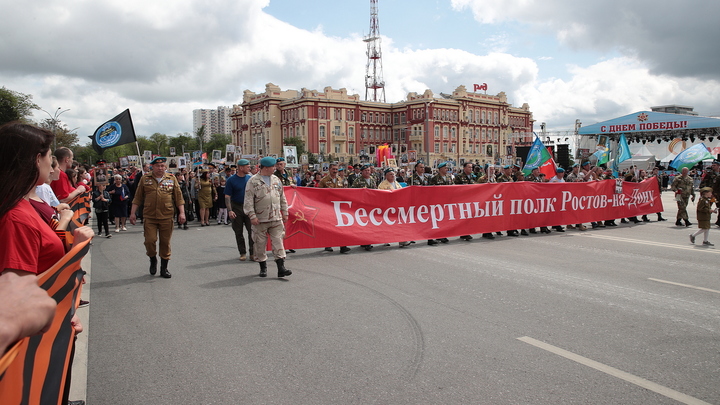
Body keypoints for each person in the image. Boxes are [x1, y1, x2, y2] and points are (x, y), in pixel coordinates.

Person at [0, 123, 91, 405]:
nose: (52, 164)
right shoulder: (16, 217)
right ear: (33, 159)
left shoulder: (26, 204)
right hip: (34, 332)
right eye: (48, 156)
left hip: (53, 319)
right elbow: (18, 294)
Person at [130, 157, 186, 278]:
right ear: (152, 167)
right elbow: (138, 197)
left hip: (166, 215)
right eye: (157, 166)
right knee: (150, 240)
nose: (160, 168)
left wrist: (182, 213)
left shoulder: (171, 178)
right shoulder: (145, 179)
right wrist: (133, 213)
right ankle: (152, 259)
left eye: (162, 166)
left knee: (165, 242)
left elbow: (178, 197)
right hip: (150, 216)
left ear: (165, 167)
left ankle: (164, 268)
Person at [244, 157, 291, 278]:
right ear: (265, 167)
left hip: (276, 218)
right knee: (260, 244)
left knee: (278, 242)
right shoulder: (253, 181)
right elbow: (248, 200)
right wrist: (252, 216)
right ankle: (263, 267)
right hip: (260, 219)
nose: (274, 168)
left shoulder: (276, 179)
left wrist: (285, 212)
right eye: (272, 167)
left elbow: (282, 197)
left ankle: (281, 267)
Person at [226, 159, 254, 261]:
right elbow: (227, 196)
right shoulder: (231, 180)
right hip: (236, 207)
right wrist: (230, 210)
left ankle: (252, 253)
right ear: (241, 168)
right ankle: (242, 252)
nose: (249, 168)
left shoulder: (250, 179)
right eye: (247, 166)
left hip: (249, 207)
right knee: (238, 232)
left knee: (252, 231)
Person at [378, 168, 411, 247]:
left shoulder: (396, 183)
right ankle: (386, 238)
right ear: (386, 176)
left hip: (398, 207)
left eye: (393, 174)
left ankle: (402, 241)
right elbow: (380, 196)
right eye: (390, 174)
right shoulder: (382, 185)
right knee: (388, 224)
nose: (393, 176)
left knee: (400, 224)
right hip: (387, 207)